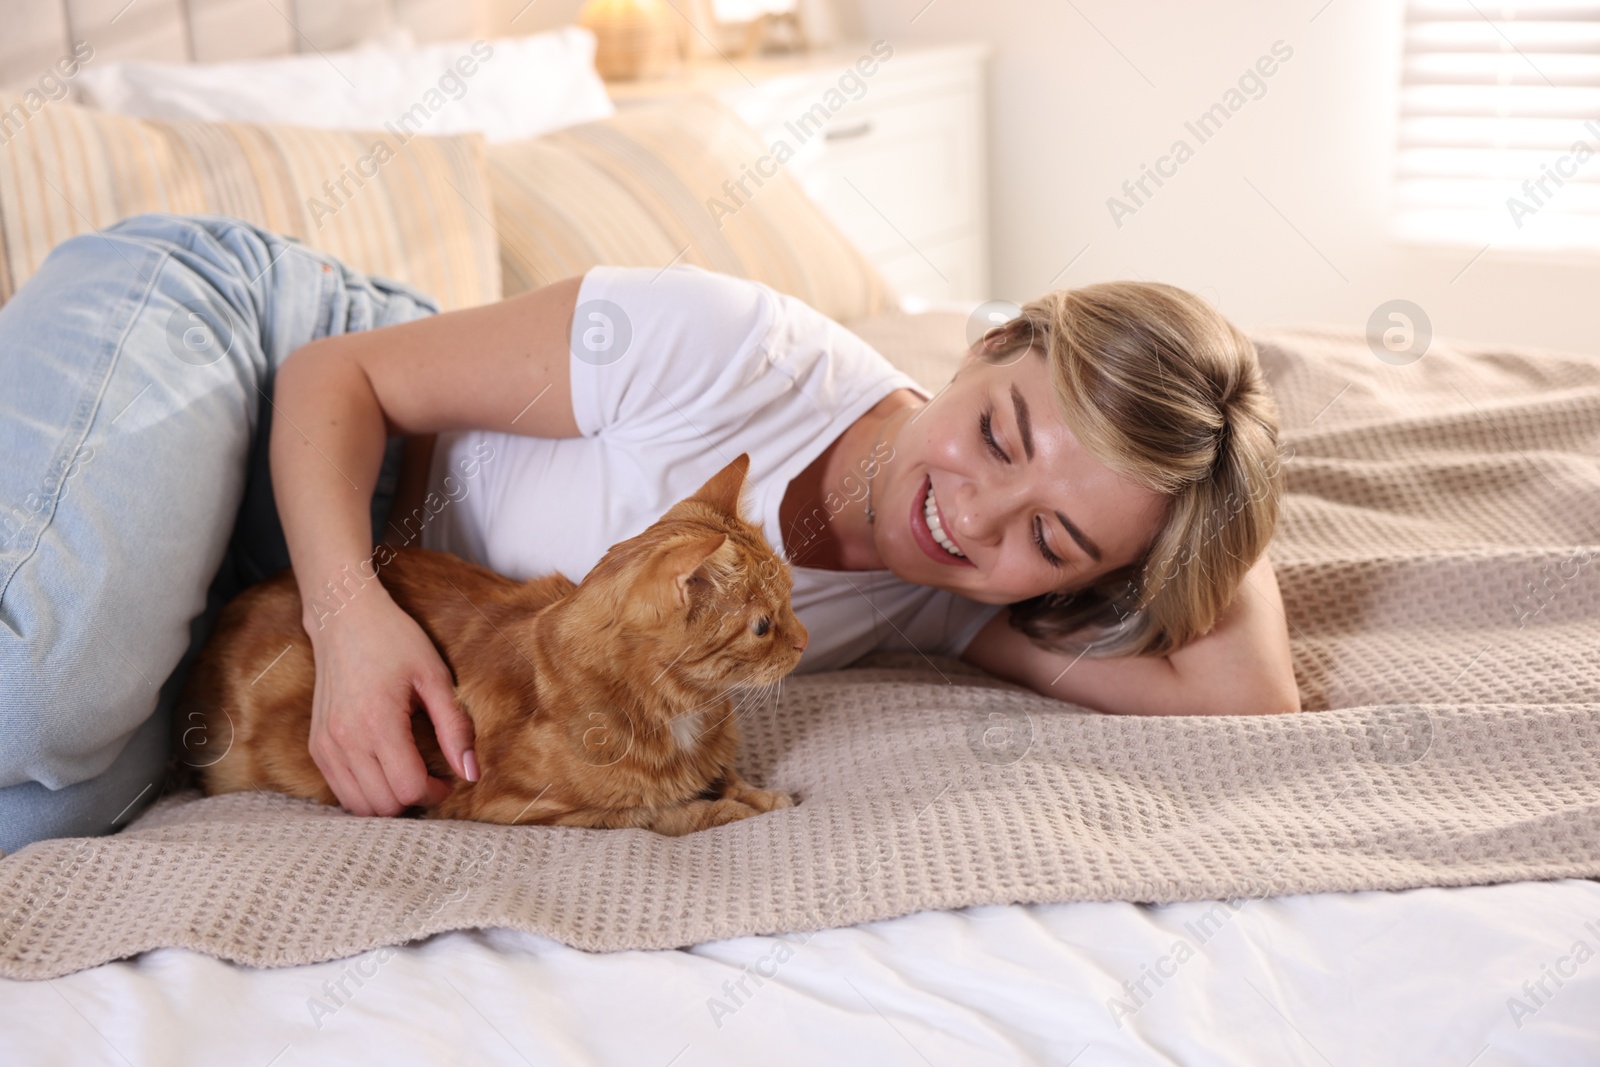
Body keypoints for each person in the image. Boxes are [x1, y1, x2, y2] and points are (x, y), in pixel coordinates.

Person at [0, 212, 1298, 856]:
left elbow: (1249, 698)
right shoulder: (727, 346)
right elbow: (340, 378)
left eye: (1055, 539)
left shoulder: (944, 596)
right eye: (1005, 434)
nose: (969, 512)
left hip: (265, 593)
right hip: (254, 372)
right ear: (985, 342)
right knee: (45, 695)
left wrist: (1207, 471)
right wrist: (349, 626)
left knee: (59, 812)